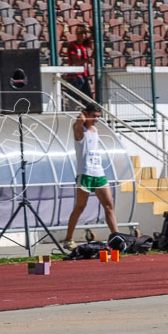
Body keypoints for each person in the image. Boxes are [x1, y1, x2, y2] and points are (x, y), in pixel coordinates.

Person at [62, 103, 119, 251]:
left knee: (109, 205)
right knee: (80, 207)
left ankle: (116, 236)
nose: (96, 119)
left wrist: (88, 116)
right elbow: (79, 120)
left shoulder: (95, 130)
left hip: (98, 172)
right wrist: (82, 114)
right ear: (86, 114)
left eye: (98, 117)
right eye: (93, 116)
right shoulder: (79, 129)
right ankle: (68, 239)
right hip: (85, 173)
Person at [61, 24, 94, 103]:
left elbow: (92, 38)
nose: (84, 35)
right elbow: (76, 61)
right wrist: (87, 60)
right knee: (74, 99)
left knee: (87, 99)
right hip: (75, 76)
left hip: (84, 75)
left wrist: (90, 29)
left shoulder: (84, 45)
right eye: (82, 33)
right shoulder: (73, 45)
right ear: (77, 34)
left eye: (85, 34)